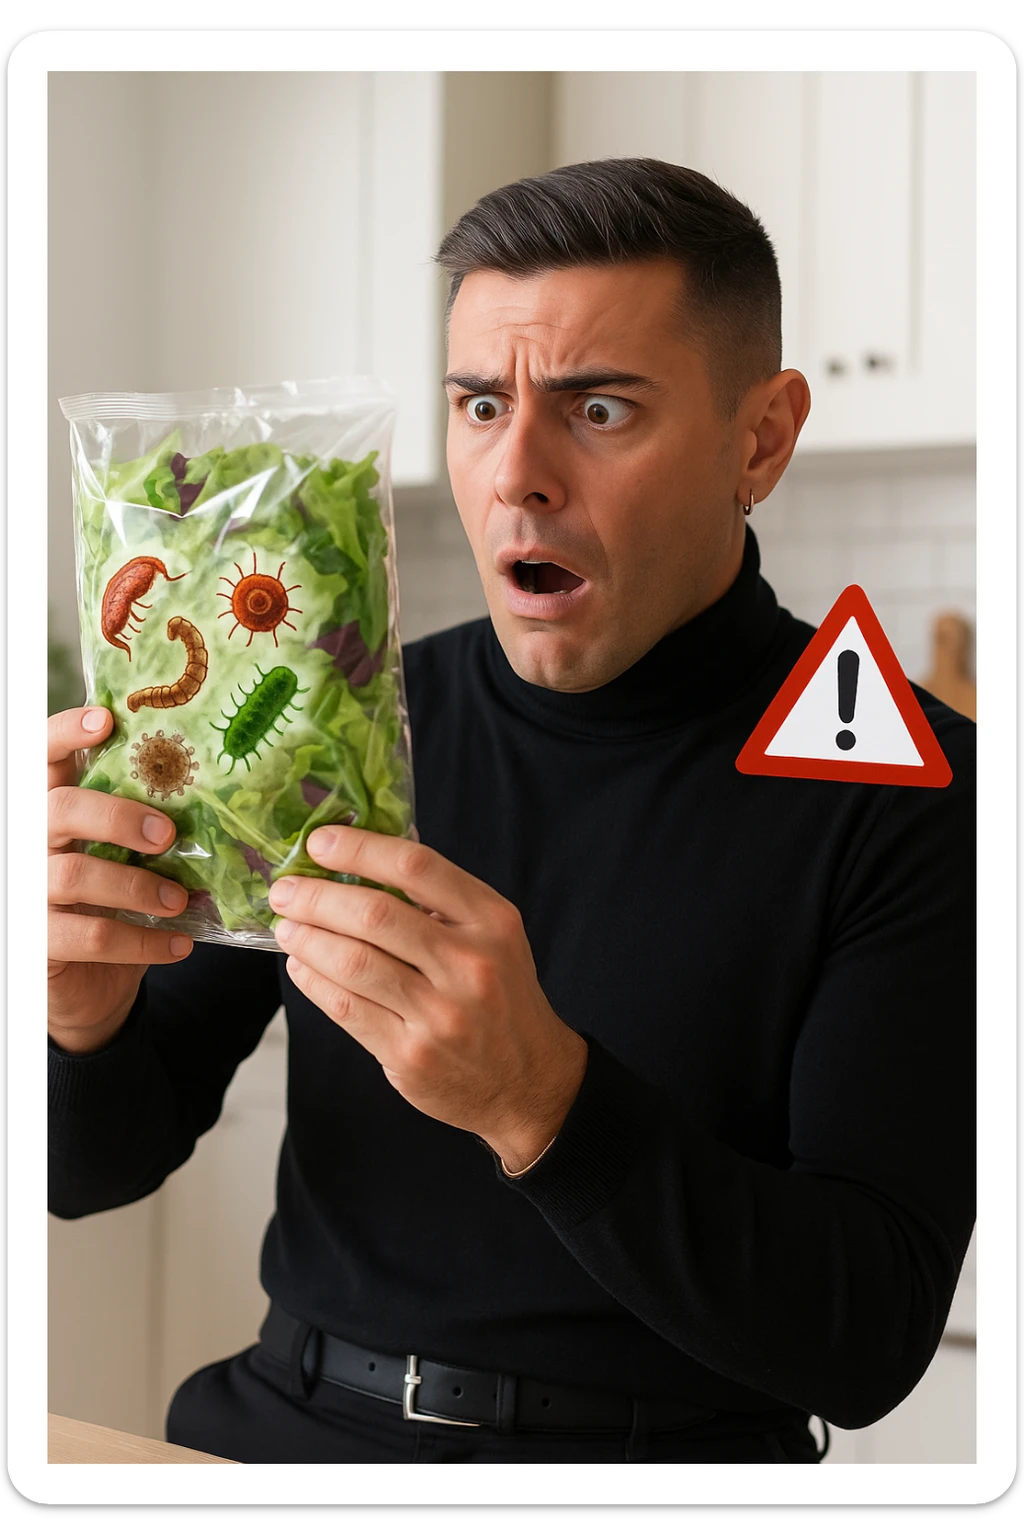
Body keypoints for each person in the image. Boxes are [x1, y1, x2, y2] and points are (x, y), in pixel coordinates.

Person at [47, 159, 976, 1466]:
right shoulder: (345, 721)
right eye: (482, 403)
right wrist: (78, 1024)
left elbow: (870, 1340)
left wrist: (541, 1099)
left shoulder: (913, 799)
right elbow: (87, 1170)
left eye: (599, 408)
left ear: (759, 438)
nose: (517, 474)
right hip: (278, 1441)